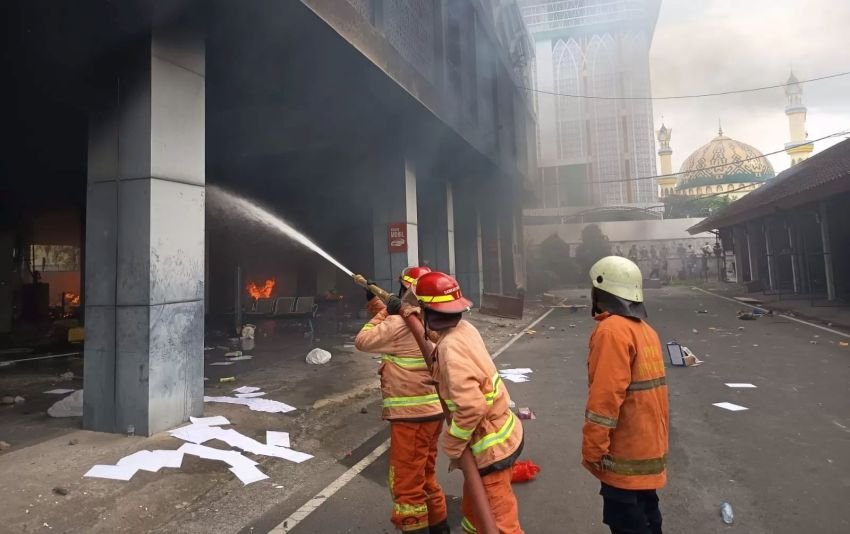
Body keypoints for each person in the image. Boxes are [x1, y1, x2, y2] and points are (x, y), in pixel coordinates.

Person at [405, 271, 524, 534]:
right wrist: (410, 314)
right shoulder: (463, 329)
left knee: (498, 524)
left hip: (489, 446)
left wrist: (453, 443)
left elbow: (472, 407)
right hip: (503, 433)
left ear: (427, 310)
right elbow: (439, 338)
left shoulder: (450, 351)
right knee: (475, 515)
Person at [355, 266, 449, 534]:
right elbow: (395, 326)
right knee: (427, 474)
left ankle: (413, 527)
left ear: (404, 292)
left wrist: (387, 310)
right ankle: (439, 526)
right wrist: (375, 300)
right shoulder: (432, 321)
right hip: (433, 412)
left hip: (410, 417)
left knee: (406, 484)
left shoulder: (397, 323)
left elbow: (363, 340)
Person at [582, 256, 669, 534]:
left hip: (624, 454)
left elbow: (605, 399)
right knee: (648, 517)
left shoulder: (611, 332)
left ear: (600, 290)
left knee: (628, 524)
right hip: (648, 450)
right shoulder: (646, 331)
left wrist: (594, 448)